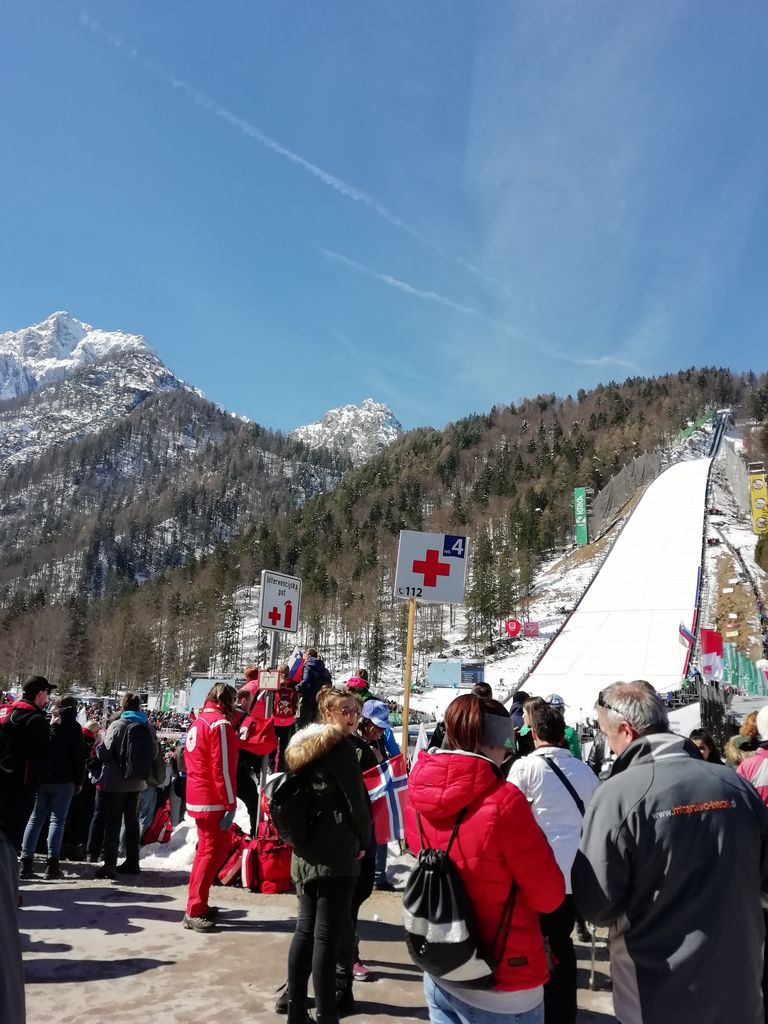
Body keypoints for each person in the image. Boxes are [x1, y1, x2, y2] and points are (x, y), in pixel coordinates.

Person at [573, 681, 768, 1024]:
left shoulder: (617, 795)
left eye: (606, 735)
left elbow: (597, 905)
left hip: (656, 991)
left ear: (626, 730)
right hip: (740, 984)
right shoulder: (734, 783)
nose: (608, 744)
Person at [406, 693, 565, 1024]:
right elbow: (549, 896)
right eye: (505, 741)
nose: (508, 751)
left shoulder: (417, 792)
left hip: (442, 963)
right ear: (490, 741)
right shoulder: (505, 802)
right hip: (501, 981)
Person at [284, 684, 371, 1024]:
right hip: (335, 849)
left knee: (305, 930)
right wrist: (364, 840)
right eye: (345, 711)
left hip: (305, 846)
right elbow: (356, 803)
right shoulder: (341, 748)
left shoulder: (301, 745)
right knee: (325, 936)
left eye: (356, 711)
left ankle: (296, 1010)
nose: (352, 717)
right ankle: (327, 1014)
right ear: (327, 713)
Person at [508, 700, 598, 1024]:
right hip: (575, 874)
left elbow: (508, 816)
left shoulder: (525, 769)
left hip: (537, 874)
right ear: (563, 734)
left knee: (533, 943)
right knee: (561, 942)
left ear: (534, 734)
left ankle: (536, 1010)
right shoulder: (585, 772)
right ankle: (562, 1013)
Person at [183, 681, 239, 933]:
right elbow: (222, 768)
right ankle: (195, 908)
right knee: (212, 853)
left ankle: (197, 903)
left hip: (199, 794)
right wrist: (230, 802)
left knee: (206, 852)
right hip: (213, 798)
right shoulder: (220, 724)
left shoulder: (198, 722)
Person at [20, 696, 86, 880]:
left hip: (42, 779)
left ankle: (26, 862)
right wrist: (79, 780)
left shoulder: (45, 721)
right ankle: (52, 865)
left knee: (35, 820)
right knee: (57, 821)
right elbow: (78, 756)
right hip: (64, 780)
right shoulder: (74, 727)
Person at [95, 693, 153, 880]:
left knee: (113, 822)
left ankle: (109, 864)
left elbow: (104, 753)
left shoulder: (117, 725)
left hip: (116, 782)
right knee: (132, 821)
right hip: (138, 781)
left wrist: (97, 747)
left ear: (123, 706)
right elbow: (153, 753)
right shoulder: (148, 726)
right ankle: (133, 861)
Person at [0, 675, 54, 852]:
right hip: (22, 785)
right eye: (47, 692)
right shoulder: (37, 720)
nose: (48, 698)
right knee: (13, 835)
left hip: (4, 779)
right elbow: (44, 755)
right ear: (39, 693)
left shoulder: (5, 713)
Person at [296, 649, 332, 727]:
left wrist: (297, 688)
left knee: (304, 725)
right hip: (321, 699)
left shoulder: (308, 666)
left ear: (309, 655)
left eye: (304, 654)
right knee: (317, 725)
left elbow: (305, 681)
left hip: (309, 698)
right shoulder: (323, 668)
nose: (303, 657)